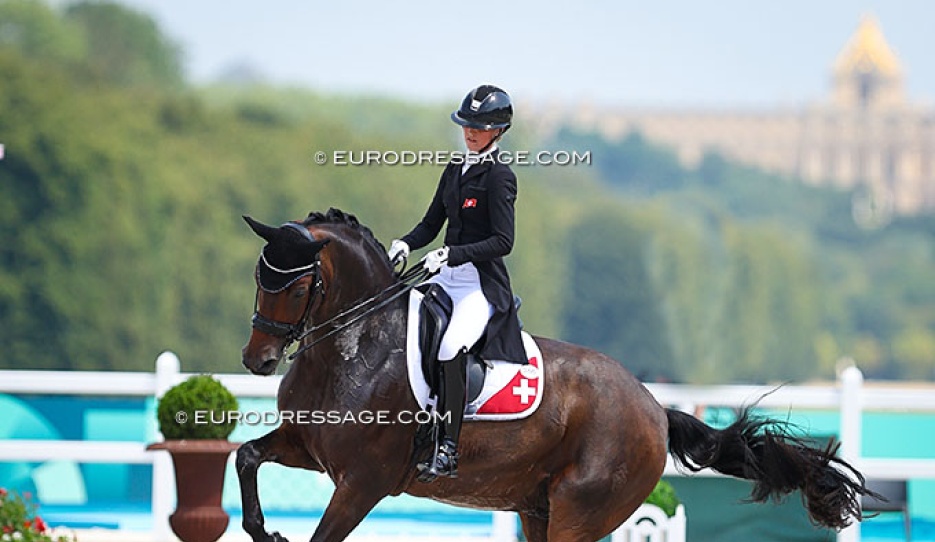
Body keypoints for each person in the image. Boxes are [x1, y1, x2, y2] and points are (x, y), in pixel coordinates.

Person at [388, 84, 527, 482]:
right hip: (443, 278)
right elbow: (432, 224)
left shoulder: (500, 177)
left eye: (479, 126)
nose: (470, 132)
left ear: (498, 130)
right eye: (467, 124)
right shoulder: (454, 169)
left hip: (478, 287)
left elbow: (504, 241)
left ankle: (447, 447)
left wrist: (453, 254)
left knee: (450, 348)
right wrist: (405, 243)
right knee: (408, 333)